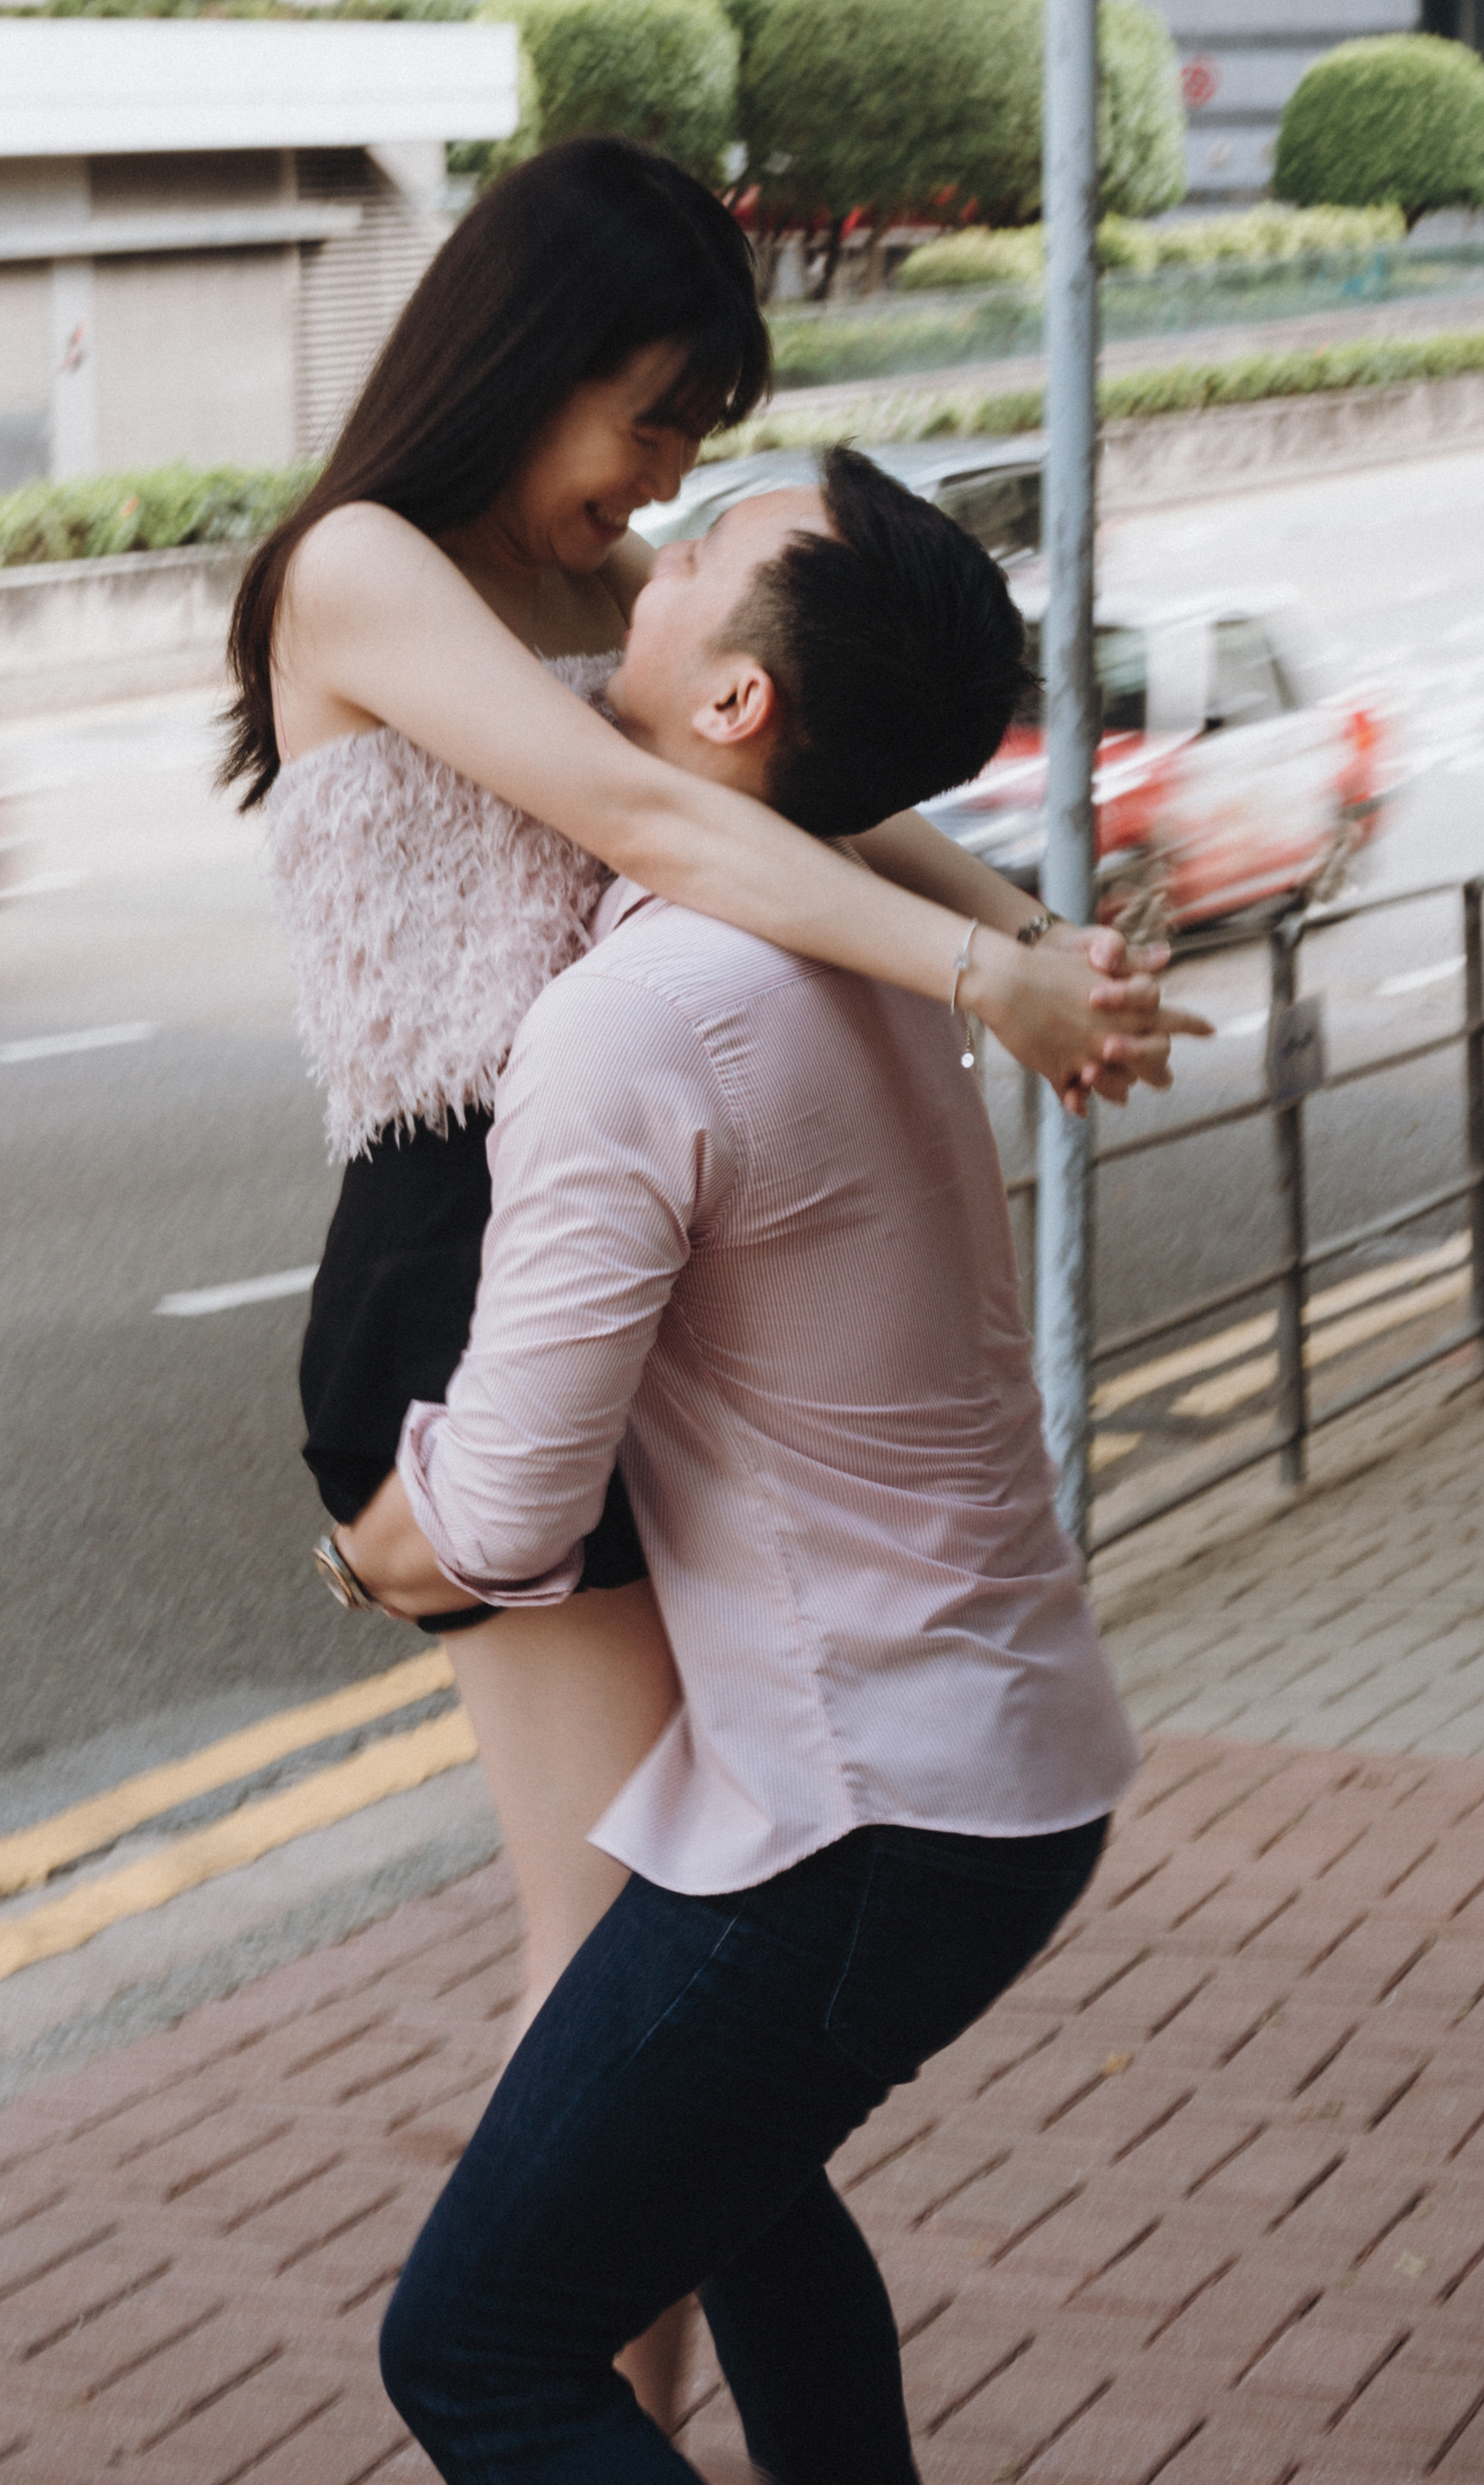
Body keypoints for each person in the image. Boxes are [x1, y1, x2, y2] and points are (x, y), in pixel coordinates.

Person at [228, 139, 1193, 2413]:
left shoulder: (613, 580)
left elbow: (796, 783)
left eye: (688, 437)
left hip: (622, 1233)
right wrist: (987, 978)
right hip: (477, 1262)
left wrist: (1031, 938)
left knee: (681, 2063)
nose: (663, 482)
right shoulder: (365, 567)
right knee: (616, 1998)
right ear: (523, 360)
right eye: (647, 417)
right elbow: (663, 822)